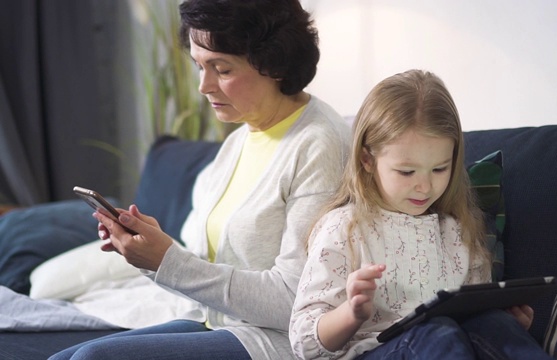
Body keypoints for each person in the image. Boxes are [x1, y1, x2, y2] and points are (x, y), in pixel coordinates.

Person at [50, 0, 350, 359]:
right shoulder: (239, 140)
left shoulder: (320, 145)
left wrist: (168, 262)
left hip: (278, 341)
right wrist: (150, 252)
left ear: (275, 63)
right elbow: (205, 275)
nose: (203, 86)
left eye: (221, 69)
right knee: (62, 357)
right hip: (218, 322)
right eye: (198, 66)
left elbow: (297, 300)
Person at [289, 70, 552, 359]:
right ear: (367, 159)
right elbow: (304, 344)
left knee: (494, 324)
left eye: (439, 169)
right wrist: (351, 313)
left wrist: (506, 327)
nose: (425, 186)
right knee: (438, 331)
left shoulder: (458, 231)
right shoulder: (344, 228)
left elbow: (477, 314)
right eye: (406, 171)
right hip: (374, 352)